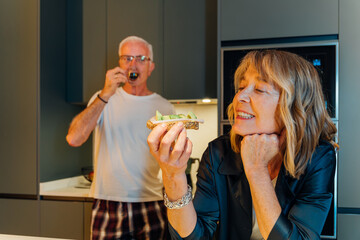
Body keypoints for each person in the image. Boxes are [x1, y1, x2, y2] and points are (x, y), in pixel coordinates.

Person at [147, 50, 337, 240]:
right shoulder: (219, 153)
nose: (240, 97)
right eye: (241, 87)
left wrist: (257, 170)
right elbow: (195, 237)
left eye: (260, 89)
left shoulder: (319, 157)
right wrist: (173, 175)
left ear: (295, 105)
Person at [66, 36, 174, 239]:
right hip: (108, 202)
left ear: (151, 66)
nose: (133, 64)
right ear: (119, 64)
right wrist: (106, 93)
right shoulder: (103, 98)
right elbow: (74, 138)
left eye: (141, 58)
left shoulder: (165, 107)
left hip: (151, 202)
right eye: (127, 58)